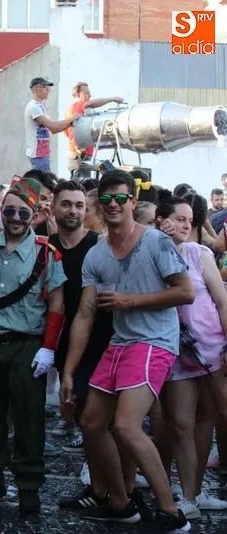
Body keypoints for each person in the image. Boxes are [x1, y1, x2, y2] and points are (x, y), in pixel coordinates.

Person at [61, 170, 192, 530]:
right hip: (121, 344)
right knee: (90, 421)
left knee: (126, 426)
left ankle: (172, 514)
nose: (114, 205)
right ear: (99, 205)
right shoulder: (97, 254)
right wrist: (69, 372)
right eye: (106, 200)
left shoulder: (155, 243)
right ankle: (120, 503)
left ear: (132, 201)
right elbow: (85, 315)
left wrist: (130, 301)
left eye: (121, 199)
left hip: (153, 343)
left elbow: (186, 293)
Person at [0, 177, 67, 515]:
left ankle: (29, 486)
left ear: (34, 215)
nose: (15, 218)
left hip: (27, 345)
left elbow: (57, 303)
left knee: (29, 420)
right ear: (2, 212)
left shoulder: (46, 253)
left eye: (23, 212)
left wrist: (48, 348)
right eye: (10, 211)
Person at [154, 196, 227, 519]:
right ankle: (186, 494)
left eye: (188, 220)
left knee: (207, 421)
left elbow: (222, 302)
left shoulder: (200, 254)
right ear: (161, 220)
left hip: (212, 348)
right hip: (176, 351)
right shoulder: (152, 251)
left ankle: (193, 493)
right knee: (181, 424)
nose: (184, 225)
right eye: (177, 218)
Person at [48, 181, 115, 510]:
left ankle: (112, 490)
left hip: (102, 343)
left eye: (78, 205)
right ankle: (100, 486)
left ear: (86, 210)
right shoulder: (46, 247)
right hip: (63, 345)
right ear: (54, 207)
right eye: (67, 204)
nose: (73, 210)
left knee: (100, 420)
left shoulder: (98, 247)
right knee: (82, 418)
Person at [64, 82, 124, 176]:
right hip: (80, 154)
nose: (89, 95)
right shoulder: (78, 105)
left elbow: (66, 133)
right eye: (86, 93)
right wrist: (111, 99)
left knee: (79, 182)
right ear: (77, 94)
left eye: (89, 93)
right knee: (82, 183)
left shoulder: (72, 110)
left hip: (77, 153)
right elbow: (93, 103)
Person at [24, 77, 73, 172]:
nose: (48, 90)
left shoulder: (40, 106)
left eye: (48, 88)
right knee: (44, 184)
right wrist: (71, 120)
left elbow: (54, 128)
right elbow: (53, 127)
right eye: (44, 87)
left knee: (42, 182)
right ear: (35, 89)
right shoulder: (34, 107)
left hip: (42, 152)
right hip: (38, 153)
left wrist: (71, 122)